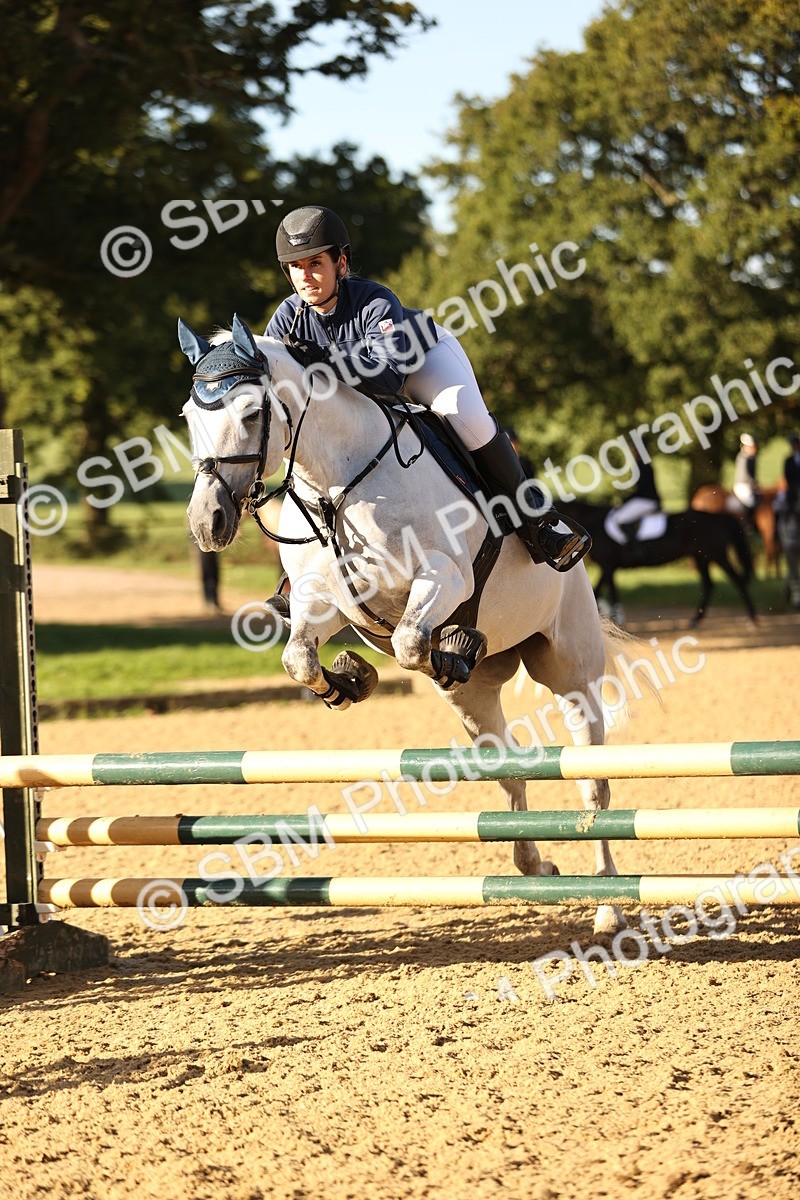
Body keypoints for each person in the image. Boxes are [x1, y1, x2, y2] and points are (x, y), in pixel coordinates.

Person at [264, 205, 590, 573]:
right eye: (296, 267)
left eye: (315, 264)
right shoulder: (287, 317)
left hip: (421, 361)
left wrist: (324, 359)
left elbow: (388, 380)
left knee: (467, 420)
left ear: (341, 263)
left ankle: (538, 523)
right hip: (365, 385)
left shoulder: (375, 300)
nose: (305, 277)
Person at [604, 446, 662, 545]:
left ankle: (634, 547)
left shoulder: (641, 465)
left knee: (618, 519)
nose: (632, 452)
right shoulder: (643, 464)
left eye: (634, 449)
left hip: (646, 500)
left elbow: (641, 489)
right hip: (646, 499)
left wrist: (625, 500)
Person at [733, 433, 760, 529]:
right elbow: (746, 475)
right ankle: (747, 524)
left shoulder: (752, 458)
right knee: (751, 502)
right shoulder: (743, 457)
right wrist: (754, 484)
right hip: (742, 485)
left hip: (749, 485)